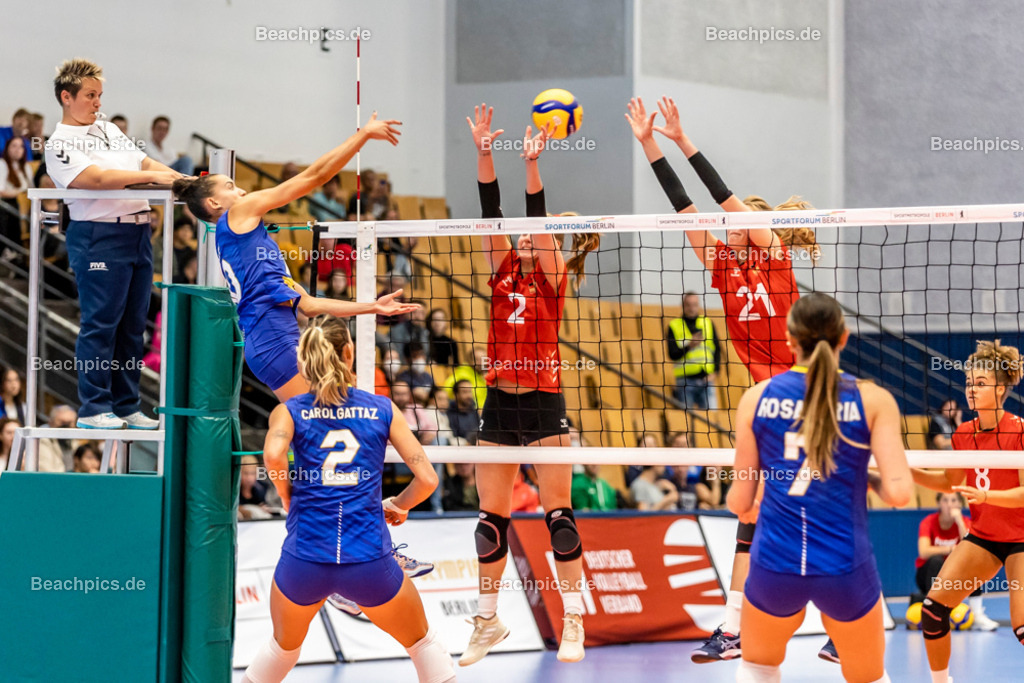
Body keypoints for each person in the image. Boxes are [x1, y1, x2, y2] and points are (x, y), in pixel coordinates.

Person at [626, 96, 823, 663]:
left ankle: (840, 619)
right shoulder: (720, 265)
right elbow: (685, 206)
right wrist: (649, 145)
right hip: (764, 402)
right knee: (750, 511)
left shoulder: (773, 251)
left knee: (816, 504)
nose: (726, 227)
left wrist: (686, 140)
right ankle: (733, 627)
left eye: (735, 222)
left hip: (806, 396)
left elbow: (718, 198)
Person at [459, 103, 600, 667]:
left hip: (544, 403)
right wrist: (484, 154)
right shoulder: (501, 273)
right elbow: (493, 215)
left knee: (559, 520)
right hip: (500, 406)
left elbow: (534, 223)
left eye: (531, 238)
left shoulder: (552, 274)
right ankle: (487, 622)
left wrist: (531, 166)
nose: (520, 239)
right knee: (489, 526)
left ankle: (573, 621)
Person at [240, 317, 453, 683]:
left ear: (303, 363)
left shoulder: (289, 410)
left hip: (304, 560)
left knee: (282, 650)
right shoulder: (383, 409)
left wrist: (289, 497)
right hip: (368, 561)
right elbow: (428, 479)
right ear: (349, 353)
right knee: (423, 644)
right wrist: (399, 505)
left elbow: (273, 455)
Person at [726, 292, 912, 683]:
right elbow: (900, 494)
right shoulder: (874, 400)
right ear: (844, 338)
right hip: (845, 566)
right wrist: (866, 478)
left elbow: (740, 501)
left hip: (775, 563)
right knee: (868, 677)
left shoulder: (755, 398)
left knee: (758, 667)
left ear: (790, 340)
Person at [171, 113, 413, 402]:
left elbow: (309, 306)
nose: (243, 191)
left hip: (271, 346)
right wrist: (363, 135)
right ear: (214, 202)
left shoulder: (245, 248)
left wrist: (373, 306)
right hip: (275, 344)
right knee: (330, 418)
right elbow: (315, 177)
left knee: (325, 421)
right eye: (231, 187)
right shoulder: (238, 213)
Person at [44, 58, 183, 429]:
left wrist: (180, 179)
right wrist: (157, 181)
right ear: (66, 97)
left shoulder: (107, 129)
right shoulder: (58, 144)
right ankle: (93, 408)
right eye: (90, 96)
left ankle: (126, 404)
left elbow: (145, 162)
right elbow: (100, 178)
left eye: (100, 95)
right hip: (99, 235)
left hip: (137, 232)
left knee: (133, 325)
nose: (97, 103)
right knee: (101, 323)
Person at [911, 340, 1024, 683]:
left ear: (1001, 389)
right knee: (932, 610)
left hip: (1021, 539)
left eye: (980, 384)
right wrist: (905, 469)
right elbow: (951, 482)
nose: (971, 390)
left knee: (1022, 628)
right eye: (969, 383)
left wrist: (987, 495)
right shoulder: (963, 434)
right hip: (985, 539)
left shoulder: (1019, 430)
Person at [667, 292, 721, 410]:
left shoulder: (708, 323)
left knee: (711, 419)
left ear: (698, 305)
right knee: (686, 421)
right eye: (688, 305)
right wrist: (689, 346)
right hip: (685, 381)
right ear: (682, 306)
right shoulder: (674, 325)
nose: (691, 308)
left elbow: (717, 349)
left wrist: (716, 371)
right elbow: (672, 354)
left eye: (694, 305)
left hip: (706, 379)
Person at [1, 137, 32, 260]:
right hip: (7, 204)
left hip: (25, 205)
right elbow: (1, 192)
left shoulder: (26, 167)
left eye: (20, 146)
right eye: (14, 146)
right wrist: (20, 193)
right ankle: (9, 249)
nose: (17, 149)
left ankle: (16, 252)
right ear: (7, 148)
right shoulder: (2, 164)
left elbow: (32, 189)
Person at [442, 347, 488, 415]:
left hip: (486, 414)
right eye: (478, 360)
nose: (482, 363)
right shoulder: (462, 374)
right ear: (470, 361)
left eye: (484, 359)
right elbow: (446, 391)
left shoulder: (484, 376)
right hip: (471, 415)